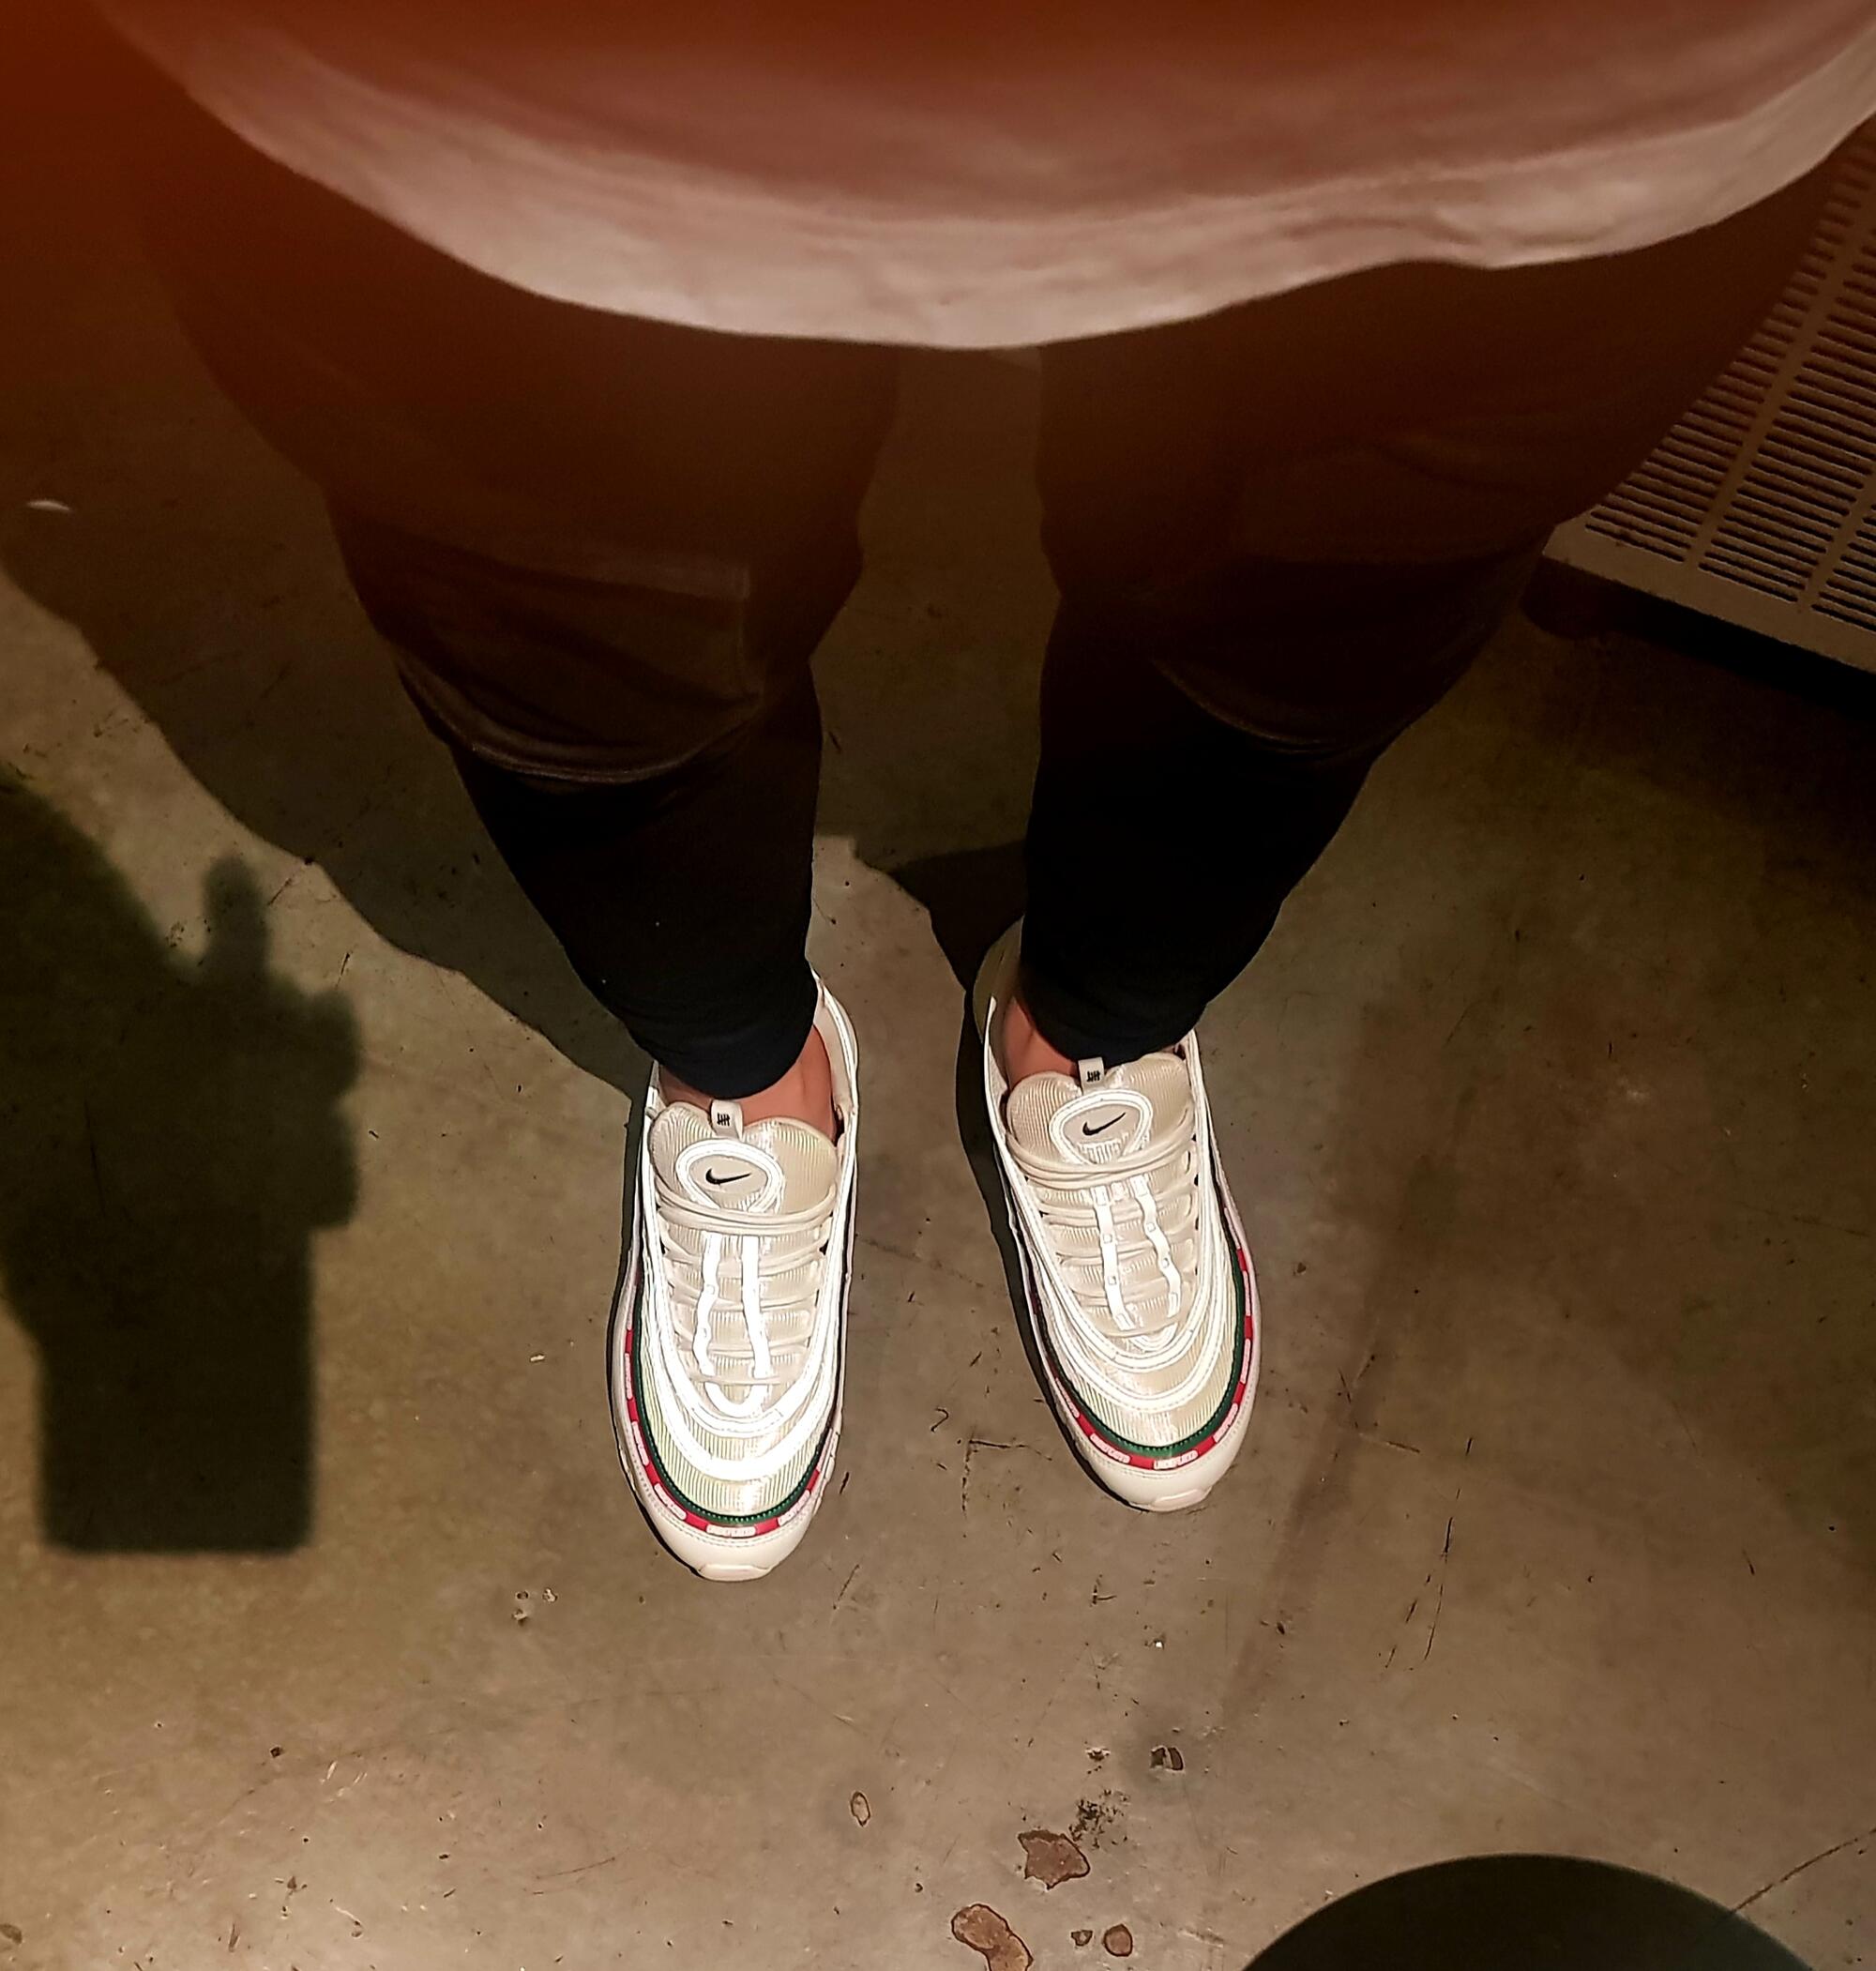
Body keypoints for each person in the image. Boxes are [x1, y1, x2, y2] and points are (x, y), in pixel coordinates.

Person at [89, 1, 1874, 1578]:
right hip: (516, 97)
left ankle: (1091, 1031)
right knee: (580, 654)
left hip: (1510, 99)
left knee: (1308, 618)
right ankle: (746, 1077)